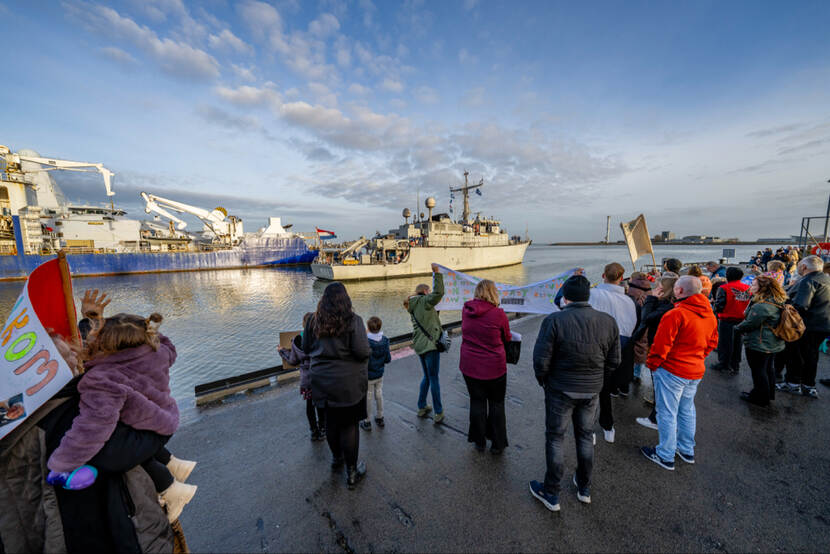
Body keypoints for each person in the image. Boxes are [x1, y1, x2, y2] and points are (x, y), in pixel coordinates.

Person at [47, 312, 197, 523]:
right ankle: (172, 464)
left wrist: (61, 463)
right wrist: (150, 332)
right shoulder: (157, 351)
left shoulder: (103, 379)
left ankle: (175, 492)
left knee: (106, 451)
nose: (74, 354)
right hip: (165, 418)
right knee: (125, 435)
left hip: (145, 429)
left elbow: (92, 428)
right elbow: (167, 345)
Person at [529, 275, 620, 511]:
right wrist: (597, 380)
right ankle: (584, 487)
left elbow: (541, 360)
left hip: (560, 388)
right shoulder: (608, 321)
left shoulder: (554, 320)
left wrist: (545, 382)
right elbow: (614, 361)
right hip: (591, 389)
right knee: (585, 435)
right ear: (588, 296)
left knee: (556, 437)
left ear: (565, 297)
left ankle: (551, 492)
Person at [640, 276, 718, 471]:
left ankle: (665, 454)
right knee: (687, 409)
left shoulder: (676, 314)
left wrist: (653, 364)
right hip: (695, 369)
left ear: (680, 291)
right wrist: (697, 356)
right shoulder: (709, 314)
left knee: (667, 412)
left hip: (672, 369)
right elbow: (712, 343)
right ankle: (686, 449)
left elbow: (661, 345)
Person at [303, 282, 371, 489]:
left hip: (321, 383)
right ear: (346, 299)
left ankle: (336, 459)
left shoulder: (313, 322)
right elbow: (362, 352)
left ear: (323, 300)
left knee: (330, 423)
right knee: (350, 425)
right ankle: (352, 473)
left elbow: (306, 347)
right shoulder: (354, 321)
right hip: (349, 385)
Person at [459, 279, 512, 454]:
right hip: (494, 368)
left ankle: (479, 441)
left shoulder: (466, 310)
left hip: (470, 366)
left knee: (477, 402)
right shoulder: (499, 314)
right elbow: (507, 337)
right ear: (493, 293)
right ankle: (497, 444)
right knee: (496, 404)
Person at [588, 262, 635, 443]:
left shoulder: (593, 294)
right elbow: (630, 327)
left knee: (592, 392)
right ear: (621, 278)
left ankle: (589, 429)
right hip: (618, 348)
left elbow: (563, 301)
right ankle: (608, 427)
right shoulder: (628, 301)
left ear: (603, 275)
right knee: (605, 390)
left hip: (595, 347)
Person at [777, 256, 830, 398]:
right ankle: (808, 385)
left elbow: (801, 305)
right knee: (812, 355)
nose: (799, 268)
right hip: (823, 324)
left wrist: (785, 309)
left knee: (796, 354)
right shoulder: (826, 279)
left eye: (800, 265)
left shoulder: (808, 280)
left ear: (804, 267)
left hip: (806, 325)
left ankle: (793, 383)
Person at [632, 275, 678, 430]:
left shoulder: (666, 306)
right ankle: (658, 411)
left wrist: (651, 299)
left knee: (660, 380)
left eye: (658, 285)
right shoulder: (671, 303)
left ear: (663, 289)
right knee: (660, 380)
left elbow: (646, 318)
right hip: (663, 344)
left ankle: (656, 418)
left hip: (660, 345)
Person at [734, 275, 786, 407]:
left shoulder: (761, 306)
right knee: (768, 369)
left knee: (758, 370)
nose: (750, 287)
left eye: (753, 285)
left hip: (760, 343)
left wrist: (736, 328)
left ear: (762, 288)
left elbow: (750, 323)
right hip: (773, 342)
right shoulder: (777, 300)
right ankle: (768, 394)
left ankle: (759, 397)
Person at [405, 263, 446, 424]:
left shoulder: (413, 304)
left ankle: (422, 406)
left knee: (427, 377)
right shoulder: (425, 301)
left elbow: (426, 318)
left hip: (420, 346)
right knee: (434, 378)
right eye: (429, 291)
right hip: (430, 346)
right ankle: (438, 412)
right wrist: (437, 273)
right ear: (425, 291)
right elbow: (439, 292)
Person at [279, 312, 326, 441]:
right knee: (321, 405)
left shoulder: (297, 340)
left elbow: (293, 361)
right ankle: (323, 429)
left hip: (307, 380)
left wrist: (282, 351)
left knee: (310, 406)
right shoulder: (321, 337)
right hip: (320, 378)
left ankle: (313, 431)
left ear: (303, 324)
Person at [711, 267, 750, 373]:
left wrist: (715, 312)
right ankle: (735, 364)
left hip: (727, 319)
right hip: (742, 319)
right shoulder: (747, 288)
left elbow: (720, 304)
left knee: (725, 343)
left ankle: (724, 363)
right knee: (738, 343)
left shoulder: (724, 288)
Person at [361, 316, 391, 431]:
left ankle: (367, 421)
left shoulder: (366, 342)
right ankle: (380, 417)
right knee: (379, 394)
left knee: (368, 397)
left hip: (368, 376)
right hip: (380, 374)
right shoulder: (385, 340)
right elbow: (388, 359)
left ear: (368, 328)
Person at [626, 272, 652, 384]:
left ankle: (629, 372)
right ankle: (637, 373)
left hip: (632, 321)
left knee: (629, 348)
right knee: (641, 346)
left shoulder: (631, 291)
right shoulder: (649, 290)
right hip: (645, 322)